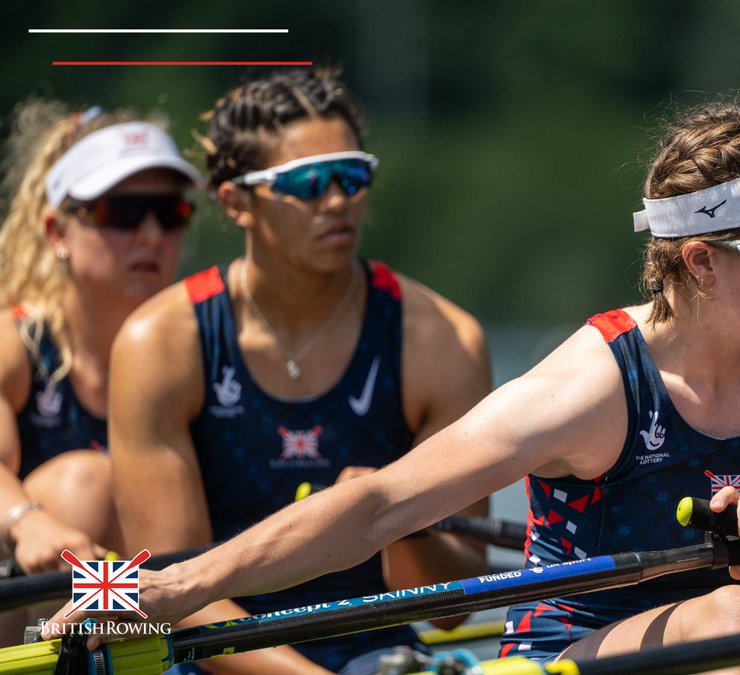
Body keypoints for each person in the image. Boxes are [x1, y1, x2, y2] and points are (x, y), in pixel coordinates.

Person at [47, 100, 740, 675]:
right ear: (700, 261)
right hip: (567, 653)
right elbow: (380, 506)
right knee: (732, 620)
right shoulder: (590, 389)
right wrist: (155, 590)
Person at [90, 69, 493, 674]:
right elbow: (169, 589)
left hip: (372, 646)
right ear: (235, 203)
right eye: (307, 183)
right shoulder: (161, 343)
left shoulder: (443, 341)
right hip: (207, 654)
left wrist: (407, 522)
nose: (337, 201)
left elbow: (451, 610)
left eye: (352, 176)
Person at [0, 103, 198, 582]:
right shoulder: (17, 342)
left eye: (169, 213)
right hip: (37, 611)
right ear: (57, 232)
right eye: (122, 213)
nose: (151, 235)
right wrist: (28, 521)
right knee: (86, 485)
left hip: (162, 607)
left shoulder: (207, 340)